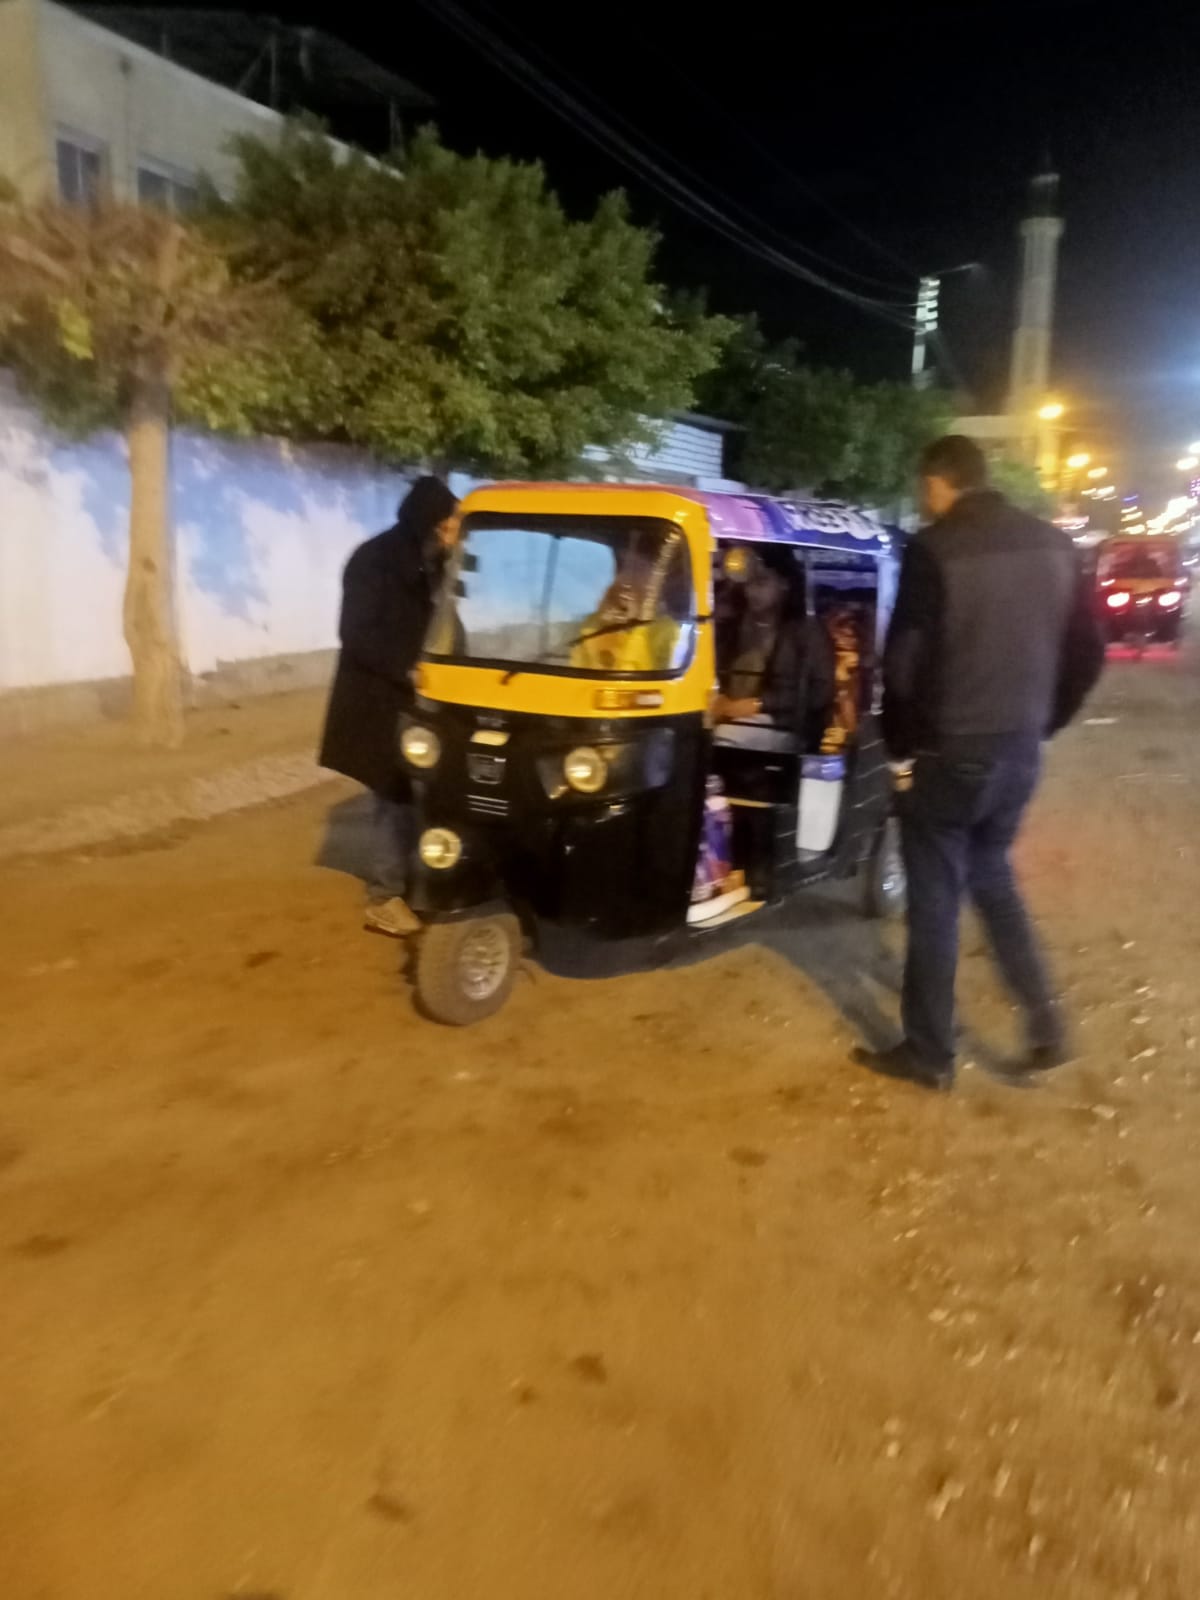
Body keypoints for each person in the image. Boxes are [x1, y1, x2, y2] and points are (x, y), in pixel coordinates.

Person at [862, 436, 1104, 1091]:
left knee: (935, 901)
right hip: (1018, 753)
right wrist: (1044, 721)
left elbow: (902, 666)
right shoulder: (1057, 546)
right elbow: (1089, 653)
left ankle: (929, 1054)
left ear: (937, 482)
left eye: (923, 488)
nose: (922, 499)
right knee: (993, 878)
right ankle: (1046, 1026)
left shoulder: (934, 549)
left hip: (949, 755)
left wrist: (901, 750)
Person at [318, 477, 460, 936]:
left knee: (429, 790)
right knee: (394, 792)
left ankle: (421, 882)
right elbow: (356, 634)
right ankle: (385, 897)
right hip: (379, 698)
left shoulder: (435, 562)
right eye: (450, 524)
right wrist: (409, 669)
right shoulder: (373, 560)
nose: (455, 533)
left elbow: (445, 622)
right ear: (430, 522)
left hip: (423, 698)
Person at [711, 546, 835, 741]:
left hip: (784, 723)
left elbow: (821, 691)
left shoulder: (806, 629)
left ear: (785, 583)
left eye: (761, 582)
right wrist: (721, 699)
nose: (752, 592)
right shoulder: (734, 623)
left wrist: (760, 704)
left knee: (726, 735)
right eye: (748, 584)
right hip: (733, 712)